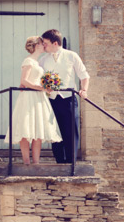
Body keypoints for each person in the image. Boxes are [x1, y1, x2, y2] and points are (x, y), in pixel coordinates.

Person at [4, 36, 62, 164]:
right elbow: (24, 81)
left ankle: (36, 163)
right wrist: (41, 88)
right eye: (42, 44)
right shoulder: (28, 61)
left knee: (38, 130)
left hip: (38, 98)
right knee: (26, 129)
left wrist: (47, 86)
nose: (44, 45)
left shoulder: (37, 62)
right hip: (29, 96)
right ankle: (26, 162)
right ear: (36, 46)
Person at [39, 29, 90, 164]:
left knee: (71, 131)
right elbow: (38, 79)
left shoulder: (71, 56)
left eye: (46, 43)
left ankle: (70, 163)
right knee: (54, 131)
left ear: (55, 43)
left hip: (68, 99)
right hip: (51, 100)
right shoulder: (43, 60)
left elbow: (84, 75)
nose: (44, 46)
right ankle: (59, 162)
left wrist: (84, 90)